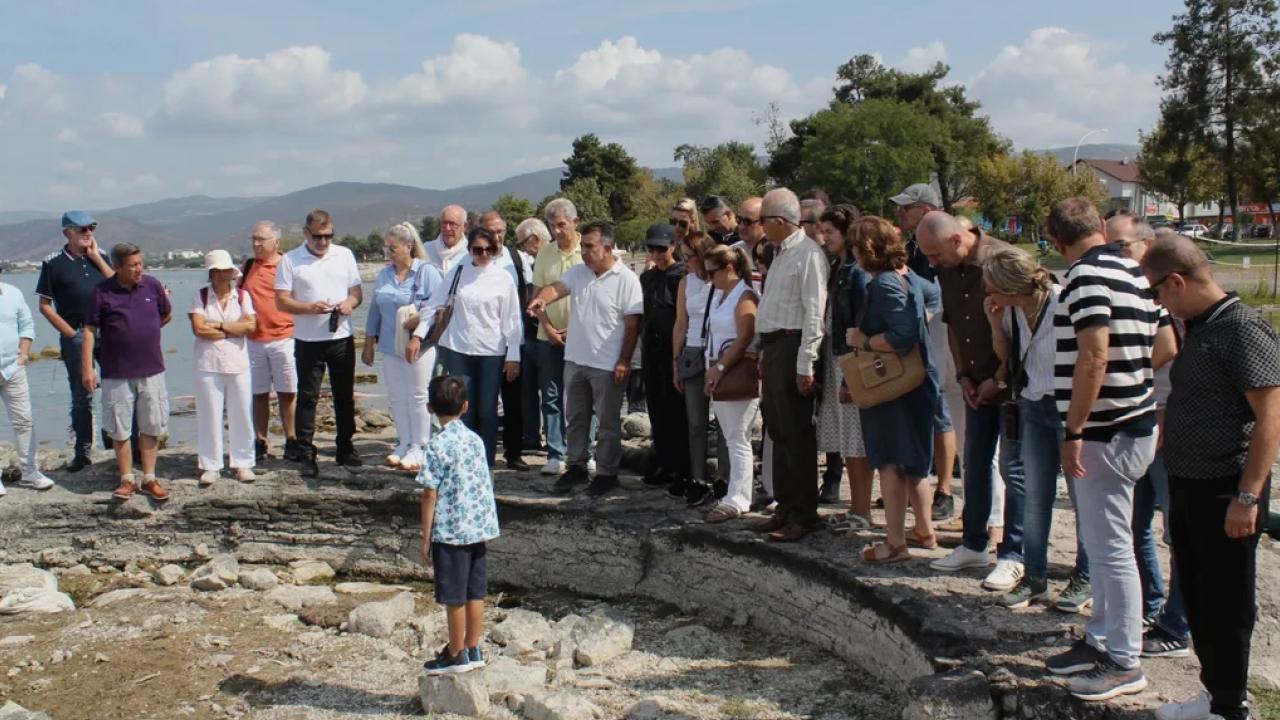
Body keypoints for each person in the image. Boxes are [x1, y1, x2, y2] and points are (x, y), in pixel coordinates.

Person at [1041, 198, 1176, 702]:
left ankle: (1123, 659)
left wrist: (1074, 429)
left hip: (1103, 430)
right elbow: (1164, 347)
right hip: (1132, 422)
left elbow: (1093, 355)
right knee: (1104, 540)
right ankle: (1100, 637)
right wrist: (1135, 381)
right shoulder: (1135, 271)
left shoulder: (1081, 279)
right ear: (1099, 227)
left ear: (1055, 240)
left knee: (1110, 544)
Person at [1142, 234, 1280, 720]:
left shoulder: (1242, 328)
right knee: (1199, 595)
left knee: (1227, 602)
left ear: (1176, 282)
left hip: (1226, 487)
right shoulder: (1201, 327)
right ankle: (1215, 694)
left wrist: (1247, 496)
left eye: (1157, 292)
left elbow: (1270, 417)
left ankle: (1231, 706)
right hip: (1189, 482)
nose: (1158, 304)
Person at [916, 211, 1027, 593]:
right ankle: (974, 543)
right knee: (975, 463)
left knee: (1015, 471)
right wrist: (964, 375)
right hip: (976, 384)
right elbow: (955, 328)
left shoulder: (1002, 261)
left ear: (957, 239)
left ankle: (1014, 554)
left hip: (1012, 387)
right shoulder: (948, 269)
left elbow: (1028, 327)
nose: (931, 264)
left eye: (935, 255)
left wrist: (999, 379)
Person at [980, 245, 1090, 609]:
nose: (987, 293)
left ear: (1012, 286)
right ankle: (1035, 578)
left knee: (1080, 497)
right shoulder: (1011, 311)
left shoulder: (1062, 303)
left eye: (992, 286)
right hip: (1031, 401)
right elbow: (1006, 355)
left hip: (1066, 406)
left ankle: (1084, 578)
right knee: (1034, 494)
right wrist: (996, 324)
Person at [1108, 212, 1190, 650]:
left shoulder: (1172, 303)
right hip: (1137, 422)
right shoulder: (1131, 295)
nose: (1114, 255)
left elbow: (1174, 361)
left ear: (1147, 246)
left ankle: (1177, 623)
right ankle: (1149, 605)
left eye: (1122, 246)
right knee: (1132, 524)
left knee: (1175, 529)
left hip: (1166, 426)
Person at [845, 216, 939, 563]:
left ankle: (895, 542)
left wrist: (864, 341)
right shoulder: (907, 276)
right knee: (915, 462)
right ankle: (924, 531)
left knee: (888, 461)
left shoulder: (883, 283)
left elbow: (903, 335)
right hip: (918, 382)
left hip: (894, 388)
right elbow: (932, 302)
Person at [526, 222, 642, 498]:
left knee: (607, 422)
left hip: (607, 363)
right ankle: (576, 466)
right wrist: (542, 299)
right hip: (576, 359)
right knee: (576, 417)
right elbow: (556, 288)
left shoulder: (626, 279)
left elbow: (632, 324)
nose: (584, 252)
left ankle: (606, 473)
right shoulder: (580, 272)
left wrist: (624, 360)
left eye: (589, 247)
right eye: (584, 246)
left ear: (608, 248)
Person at [752, 188, 829, 542]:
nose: (759, 227)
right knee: (778, 430)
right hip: (775, 345)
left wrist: (805, 364)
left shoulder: (808, 255)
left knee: (796, 433)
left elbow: (815, 312)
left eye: (762, 220)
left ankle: (804, 513)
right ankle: (785, 506)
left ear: (779, 222)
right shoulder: (781, 253)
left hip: (792, 343)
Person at [412, 226, 522, 467]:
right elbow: (434, 304)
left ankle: (486, 463)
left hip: (491, 352)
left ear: (495, 249)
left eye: (489, 250)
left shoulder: (503, 278)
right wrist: (418, 335)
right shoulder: (458, 273)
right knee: (463, 409)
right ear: (470, 250)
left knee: (487, 410)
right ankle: (464, 461)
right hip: (459, 348)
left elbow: (513, 320)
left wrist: (513, 355)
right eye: (477, 250)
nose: (483, 255)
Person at [418, 375, 500, 675]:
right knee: (474, 591)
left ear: (430, 408)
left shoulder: (437, 445)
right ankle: (473, 646)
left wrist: (426, 537)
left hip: (451, 530)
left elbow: (429, 492)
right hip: (477, 527)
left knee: (453, 596)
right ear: (465, 406)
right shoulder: (475, 440)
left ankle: (456, 653)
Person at [274, 209, 363, 478]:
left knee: (344, 395)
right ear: (306, 233)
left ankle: (345, 447)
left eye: (328, 236)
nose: (323, 242)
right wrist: (309, 307)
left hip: (341, 337)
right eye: (318, 237)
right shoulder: (290, 260)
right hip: (308, 339)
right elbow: (281, 300)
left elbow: (357, 291)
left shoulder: (344, 254)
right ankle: (306, 451)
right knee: (308, 397)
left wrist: (349, 303)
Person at [892, 185, 960, 523]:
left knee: (940, 412)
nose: (901, 214)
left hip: (939, 337)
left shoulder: (942, 242)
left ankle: (945, 489)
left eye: (907, 208)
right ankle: (915, 484)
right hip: (911, 339)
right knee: (916, 411)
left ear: (925, 209)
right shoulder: (910, 246)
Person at [83, 243, 172, 501]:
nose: (138, 269)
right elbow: (89, 331)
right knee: (120, 426)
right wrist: (87, 367)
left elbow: (165, 314)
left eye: (140, 264)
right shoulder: (101, 292)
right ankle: (126, 479)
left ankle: (150, 478)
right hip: (116, 372)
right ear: (118, 267)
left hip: (152, 369)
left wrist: (145, 333)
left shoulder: (152, 285)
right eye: (132, 265)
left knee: (152, 424)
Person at [35, 211, 115, 472]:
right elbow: (45, 306)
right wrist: (71, 334)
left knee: (117, 389)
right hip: (77, 334)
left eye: (91, 227)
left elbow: (119, 286)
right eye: (81, 229)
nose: (88, 233)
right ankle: (83, 451)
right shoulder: (54, 264)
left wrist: (95, 258)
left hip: (109, 332)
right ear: (67, 233)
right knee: (82, 395)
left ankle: (115, 443)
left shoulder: (101, 257)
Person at [363, 222, 440, 471]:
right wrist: (368, 341)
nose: (388, 252)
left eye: (393, 248)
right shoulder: (385, 274)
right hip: (389, 345)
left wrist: (418, 334)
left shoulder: (426, 272)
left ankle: (421, 445)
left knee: (418, 395)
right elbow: (375, 308)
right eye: (387, 247)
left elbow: (436, 308)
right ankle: (404, 441)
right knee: (396, 396)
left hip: (419, 345)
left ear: (408, 246)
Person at [816, 205, 874, 525]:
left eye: (830, 233)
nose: (824, 239)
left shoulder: (856, 271)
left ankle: (862, 507)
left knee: (856, 438)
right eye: (822, 232)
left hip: (850, 361)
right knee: (846, 437)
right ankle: (857, 506)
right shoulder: (838, 266)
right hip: (836, 356)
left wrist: (852, 372)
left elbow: (860, 320)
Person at [701, 244, 759, 522]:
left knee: (738, 437)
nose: (708, 278)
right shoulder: (722, 294)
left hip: (734, 370)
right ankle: (734, 493)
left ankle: (739, 497)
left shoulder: (744, 295)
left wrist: (721, 367)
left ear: (729, 268)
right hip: (719, 369)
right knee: (731, 436)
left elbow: (745, 336)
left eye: (712, 272)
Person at [189, 250, 257, 485]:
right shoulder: (200, 296)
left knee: (242, 413)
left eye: (224, 271)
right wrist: (232, 328)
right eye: (216, 271)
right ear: (212, 273)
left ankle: (243, 462)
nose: (221, 275)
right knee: (209, 414)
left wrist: (217, 326)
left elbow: (250, 326)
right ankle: (211, 465)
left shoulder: (242, 296)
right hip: (208, 364)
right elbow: (199, 329)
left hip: (238, 364)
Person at [671, 231, 727, 506]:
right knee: (696, 423)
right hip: (693, 351)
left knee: (726, 421)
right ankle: (698, 477)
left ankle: (725, 479)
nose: (685, 262)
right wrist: (676, 362)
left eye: (689, 257)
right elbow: (680, 323)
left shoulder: (721, 281)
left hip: (718, 352)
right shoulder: (686, 283)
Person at [530, 199, 584, 477]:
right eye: (552, 226)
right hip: (547, 335)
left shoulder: (586, 252)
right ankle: (555, 452)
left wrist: (575, 329)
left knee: (583, 396)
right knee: (550, 395)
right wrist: (548, 327)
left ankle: (585, 450)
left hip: (582, 335)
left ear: (575, 222)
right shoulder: (545, 254)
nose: (557, 231)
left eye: (562, 224)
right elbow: (538, 294)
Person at [478, 211, 533, 471]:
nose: (497, 237)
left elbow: (529, 292)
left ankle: (514, 453)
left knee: (514, 400)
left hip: (513, 338)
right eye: (491, 231)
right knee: (483, 401)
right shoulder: (473, 259)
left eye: (501, 231)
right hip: (483, 343)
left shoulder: (517, 258)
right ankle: (482, 452)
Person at [639, 224, 691, 488]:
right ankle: (664, 462)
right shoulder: (647, 278)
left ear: (673, 246)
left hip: (673, 350)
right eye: (652, 249)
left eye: (662, 248)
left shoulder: (681, 276)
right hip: (651, 349)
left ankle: (682, 467)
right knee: (657, 409)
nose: (657, 254)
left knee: (676, 411)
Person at [242, 221, 299, 463]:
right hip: (253, 339)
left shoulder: (289, 265)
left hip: (284, 337)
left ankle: (292, 439)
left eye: (261, 240)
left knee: (288, 392)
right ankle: (260, 440)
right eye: (253, 239)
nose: (256, 244)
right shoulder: (247, 267)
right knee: (258, 393)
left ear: (276, 242)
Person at [0, 279, 52, 494]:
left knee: (24, 420)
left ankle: (31, 471)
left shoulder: (13, 292)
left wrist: (23, 356)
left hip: (13, 368)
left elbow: (27, 325)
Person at [514, 218, 550, 456]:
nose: (521, 247)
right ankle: (530, 436)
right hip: (527, 331)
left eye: (522, 242)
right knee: (526, 388)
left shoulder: (549, 259)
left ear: (534, 239)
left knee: (551, 389)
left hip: (546, 332)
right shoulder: (528, 262)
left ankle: (553, 435)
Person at [425, 205, 469, 275]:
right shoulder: (426, 250)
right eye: (444, 223)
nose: (447, 228)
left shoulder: (471, 253)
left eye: (452, 224)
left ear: (465, 226)